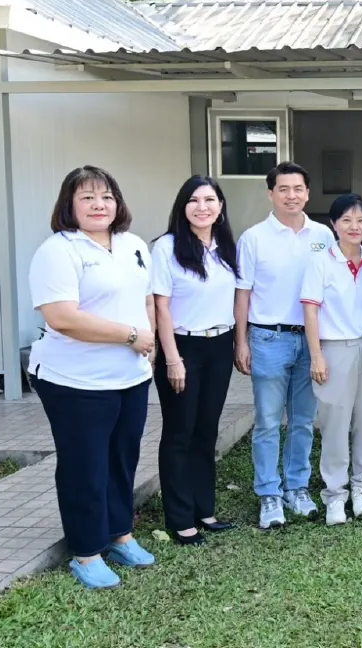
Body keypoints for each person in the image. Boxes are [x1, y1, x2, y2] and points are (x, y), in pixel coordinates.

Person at [27, 166, 157, 589]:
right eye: (87, 197)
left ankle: (120, 534)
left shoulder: (133, 244)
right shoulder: (58, 251)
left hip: (129, 377)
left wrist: (150, 342)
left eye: (106, 196)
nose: (99, 205)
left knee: (122, 459)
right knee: (85, 466)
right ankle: (86, 551)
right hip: (75, 380)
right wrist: (132, 336)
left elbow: (145, 300)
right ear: (70, 204)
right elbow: (63, 318)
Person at [234, 162, 334, 529]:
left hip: (311, 340)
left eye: (298, 189)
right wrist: (241, 341)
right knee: (268, 421)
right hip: (268, 338)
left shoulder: (323, 235)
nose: (291, 195)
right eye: (283, 189)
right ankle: (269, 493)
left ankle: (297, 487)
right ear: (271, 194)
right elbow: (243, 294)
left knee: (304, 420)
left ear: (308, 193)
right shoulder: (254, 238)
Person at [151, 175, 239, 546]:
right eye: (194, 200)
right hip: (182, 347)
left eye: (209, 200)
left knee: (206, 430)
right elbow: (161, 307)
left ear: (220, 207)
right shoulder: (166, 247)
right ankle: (180, 518)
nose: (202, 207)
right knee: (180, 432)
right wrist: (172, 359)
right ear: (182, 206)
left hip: (219, 345)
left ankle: (205, 509)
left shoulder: (226, 246)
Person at [301, 193, 362, 526]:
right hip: (333, 349)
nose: (354, 226)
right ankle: (335, 494)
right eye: (346, 220)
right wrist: (316, 355)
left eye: (361, 220)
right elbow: (310, 311)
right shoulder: (321, 261)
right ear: (334, 224)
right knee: (334, 423)